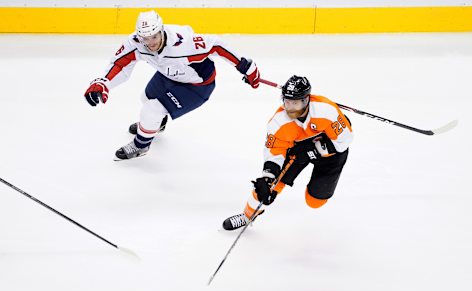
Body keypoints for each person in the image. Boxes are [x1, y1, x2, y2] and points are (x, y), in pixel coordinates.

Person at [84, 10, 260, 160]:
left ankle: (141, 145)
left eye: (154, 36)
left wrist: (246, 66)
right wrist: (103, 83)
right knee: (146, 98)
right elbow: (120, 64)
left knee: (151, 110)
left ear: (161, 30)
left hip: (196, 85)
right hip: (169, 74)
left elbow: (217, 46)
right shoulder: (136, 43)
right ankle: (156, 126)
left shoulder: (183, 44)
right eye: (145, 38)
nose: (151, 42)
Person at [222, 75, 354, 230]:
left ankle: (338, 125)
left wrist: (311, 151)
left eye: (295, 103)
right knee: (267, 187)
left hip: (331, 156)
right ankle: (247, 215)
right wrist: (268, 177)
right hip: (297, 151)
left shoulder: (326, 111)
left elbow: (345, 140)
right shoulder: (278, 122)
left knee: (314, 202)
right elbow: (275, 152)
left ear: (306, 100)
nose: (290, 107)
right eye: (287, 102)